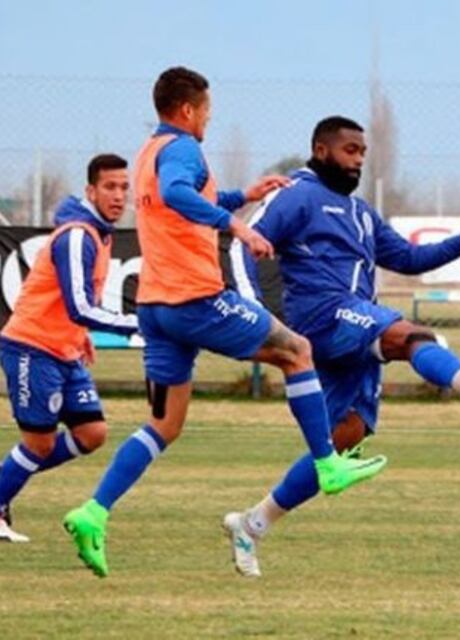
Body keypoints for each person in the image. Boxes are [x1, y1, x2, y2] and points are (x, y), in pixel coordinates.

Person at [61, 68, 388, 577]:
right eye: (207, 111)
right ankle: (327, 463)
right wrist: (235, 224)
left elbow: (185, 200)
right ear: (189, 110)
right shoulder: (184, 147)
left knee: (164, 425)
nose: (209, 119)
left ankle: (93, 512)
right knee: (297, 350)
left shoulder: (149, 150)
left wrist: (242, 195)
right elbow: (177, 194)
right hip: (195, 300)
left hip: (156, 307)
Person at [222, 116, 460, 576]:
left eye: (363, 154)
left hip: (350, 327)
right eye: (350, 150)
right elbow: (242, 244)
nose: (358, 161)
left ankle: (252, 524)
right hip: (323, 316)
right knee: (412, 337)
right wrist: (255, 313)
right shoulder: (296, 195)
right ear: (321, 149)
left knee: (343, 440)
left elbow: (409, 258)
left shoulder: (362, 213)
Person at [0, 153, 138, 542]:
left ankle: (2, 473)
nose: (118, 196)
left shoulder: (98, 234)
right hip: (31, 347)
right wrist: (135, 325)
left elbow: (74, 302)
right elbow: (80, 305)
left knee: (92, 433)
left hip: (64, 349)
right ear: (91, 191)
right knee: (40, 443)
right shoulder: (78, 235)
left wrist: (81, 334)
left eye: (124, 188)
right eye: (110, 187)